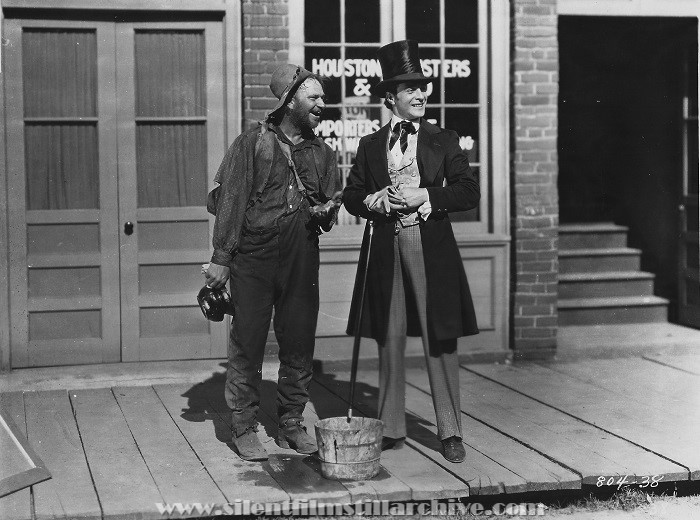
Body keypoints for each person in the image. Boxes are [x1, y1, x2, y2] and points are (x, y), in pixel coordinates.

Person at [343, 40, 480, 463]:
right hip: (386, 246)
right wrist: (373, 200)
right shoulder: (370, 145)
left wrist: (426, 193)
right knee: (390, 334)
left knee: (440, 334)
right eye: (411, 89)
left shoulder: (444, 139)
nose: (421, 94)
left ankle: (450, 430)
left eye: (423, 87)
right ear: (390, 99)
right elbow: (351, 196)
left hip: (428, 245)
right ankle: (391, 427)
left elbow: (468, 192)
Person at [205, 64, 342, 461]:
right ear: (289, 101)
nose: (322, 103)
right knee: (247, 341)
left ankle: (291, 423)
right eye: (313, 97)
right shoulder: (252, 144)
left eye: (322, 97)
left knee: (298, 340)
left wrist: (326, 211)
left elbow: (329, 208)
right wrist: (221, 258)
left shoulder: (322, 153)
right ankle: (244, 427)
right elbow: (228, 202)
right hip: (254, 256)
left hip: (302, 254)